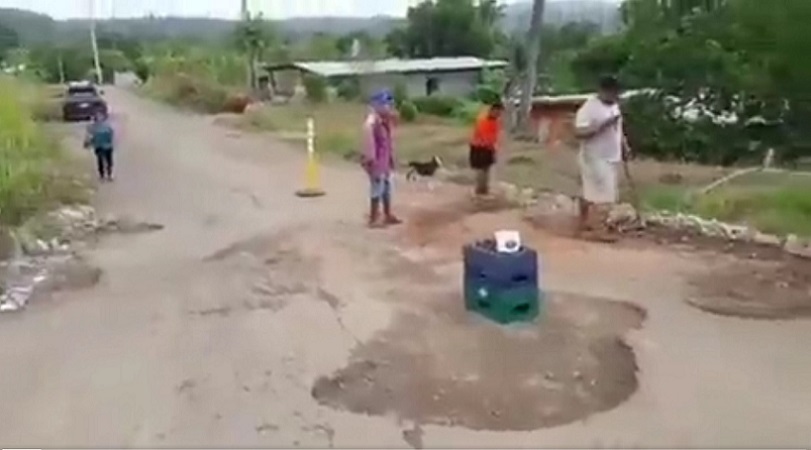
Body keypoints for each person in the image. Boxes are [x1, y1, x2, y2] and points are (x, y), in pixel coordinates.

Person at [574, 75, 632, 242]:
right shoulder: (589, 108)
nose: (616, 97)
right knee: (605, 196)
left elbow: (618, 129)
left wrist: (624, 145)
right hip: (594, 156)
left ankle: (584, 224)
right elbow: (579, 132)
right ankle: (599, 230)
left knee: (589, 192)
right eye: (613, 94)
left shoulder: (614, 106)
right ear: (603, 91)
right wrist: (602, 125)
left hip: (611, 155)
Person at [361, 90, 401, 229]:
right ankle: (373, 219)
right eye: (385, 104)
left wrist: (391, 160)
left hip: (385, 162)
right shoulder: (372, 122)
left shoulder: (384, 121)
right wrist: (371, 162)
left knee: (387, 189)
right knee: (377, 188)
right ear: (377, 105)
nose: (389, 107)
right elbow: (369, 143)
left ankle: (387, 215)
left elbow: (388, 142)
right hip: (376, 162)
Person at [469, 100, 504, 197]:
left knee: (487, 170)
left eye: (500, 112)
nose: (498, 114)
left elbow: (494, 136)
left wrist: (494, 148)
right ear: (492, 110)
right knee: (481, 170)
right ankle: (479, 191)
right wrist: (491, 146)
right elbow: (483, 136)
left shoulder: (496, 122)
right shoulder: (482, 120)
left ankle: (484, 190)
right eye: (497, 112)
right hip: (479, 147)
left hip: (488, 147)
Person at [84, 110, 116, 182]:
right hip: (99, 146)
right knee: (100, 161)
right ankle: (102, 175)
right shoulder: (92, 127)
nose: (99, 118)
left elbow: (111, 134)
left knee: (109, 161)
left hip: (108, 146)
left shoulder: (107, 125)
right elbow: (89, 136)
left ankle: (109, 174)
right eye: (97, 117)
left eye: (100, 116)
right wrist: (87, 143)